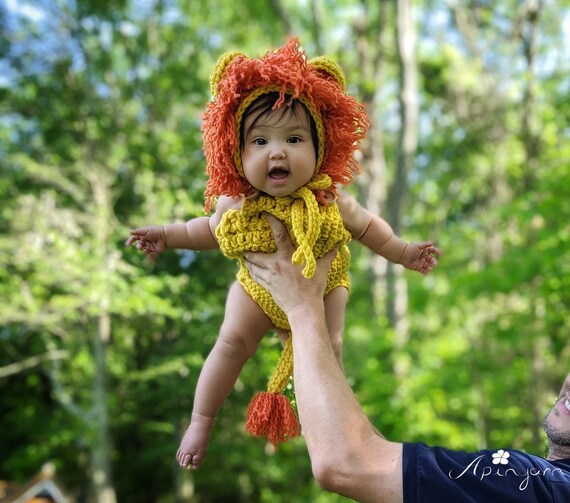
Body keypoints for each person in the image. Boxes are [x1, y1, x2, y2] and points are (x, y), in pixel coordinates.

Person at [126, 39, 441, 471]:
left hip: (324, 285)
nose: (277, 151)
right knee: (231, 343)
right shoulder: (235, 204)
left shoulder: (331, 199)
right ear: (236, 153)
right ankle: (202, 420)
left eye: (294, 138)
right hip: (257, 288)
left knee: (328, 347)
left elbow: (369, 228)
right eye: (260, 141)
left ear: (319, 148)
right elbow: (205, 231)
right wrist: (166, 235)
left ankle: (327, 426)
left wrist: (403, 252)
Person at [243, 215, 570, 503]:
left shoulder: (538, 485)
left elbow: (348, 464)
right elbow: (383, 471)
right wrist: (311, 341)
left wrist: (302, 307)